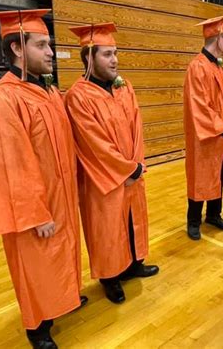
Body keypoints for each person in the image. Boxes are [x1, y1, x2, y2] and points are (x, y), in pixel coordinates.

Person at [0, 9, 86, 349]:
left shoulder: (48, 93)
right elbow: (12, 165)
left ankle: (62, 299)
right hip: (34, 208)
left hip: (61, 196)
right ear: (18, 49)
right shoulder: (2, 99)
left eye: (49, 44)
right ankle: (37, 328)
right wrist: (36, 213)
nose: (51, 52)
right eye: (42, 45)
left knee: (61, 255)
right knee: (34, 265)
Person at [65, 23, 159, 305]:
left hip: (132, 172)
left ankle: (133, 264)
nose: (115, 60)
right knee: (106, 228)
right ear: (89, 58)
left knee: (132, 222)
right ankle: (110, 278)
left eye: (115, 53)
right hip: (103, 179)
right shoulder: (77, 96)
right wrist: (126, 170)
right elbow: (93, 143)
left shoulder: (124, 87)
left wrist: (137, 165)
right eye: (107, 54)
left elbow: (137, 128)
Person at [183, 14, 223, 241]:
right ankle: (193, 221)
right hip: (203, 135)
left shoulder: (217, 67)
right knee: (201, 175)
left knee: (218, 173)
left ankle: (214, 215)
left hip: (218, 133)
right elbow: (201, 106)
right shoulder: (197, 67)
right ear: (218, 38)